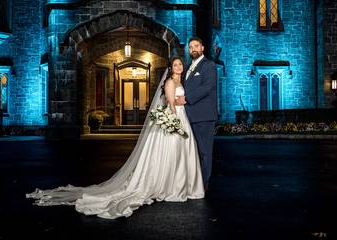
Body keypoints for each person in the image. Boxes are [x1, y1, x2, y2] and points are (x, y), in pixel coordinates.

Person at [26, 57, 204, 219]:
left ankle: (181, 185)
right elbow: (171, 104)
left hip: (183, 118)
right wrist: (173, 124)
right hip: (175, 119)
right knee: (173, 154)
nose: (179, 67)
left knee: (181, 154)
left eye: (180, 64)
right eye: (175, 65)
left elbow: (182, 101)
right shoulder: (170, 82)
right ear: (171, 68)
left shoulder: (182, 81)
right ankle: (171, 186)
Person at [176, 37, 218, 191]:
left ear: (202, 48)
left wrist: (186, 98)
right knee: (192, 152)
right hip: (188, 117)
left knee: (204, 152)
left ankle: (204, 185)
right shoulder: (187, 68)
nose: (193, 49)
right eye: (190, 46)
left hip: (204, 116)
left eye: (196, 46)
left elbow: (208, 87)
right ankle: (193, 182)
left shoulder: (209, 65)